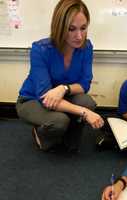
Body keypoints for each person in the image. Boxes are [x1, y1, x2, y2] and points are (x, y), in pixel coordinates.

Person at [16, 0, 104, 153]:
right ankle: (40, 132)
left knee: (87, 102)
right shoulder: (40, 49)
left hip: (63, 96)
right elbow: (45, 97)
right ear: (60, 27)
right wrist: (85, 113)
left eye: (83, 28)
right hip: (32, 99)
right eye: (71, 29)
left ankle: (66, 135)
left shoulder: (86, 47)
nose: (79, 36)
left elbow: (85, 84)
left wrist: (63, 89)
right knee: (59, 121)